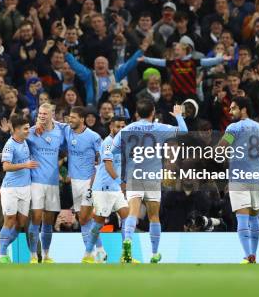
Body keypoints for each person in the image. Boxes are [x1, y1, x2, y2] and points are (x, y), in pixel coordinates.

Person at [111, 99, 187, 263]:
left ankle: (127, 242)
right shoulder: (160, 128)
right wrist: (179, 116)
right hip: (152, 176)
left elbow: (113, 150)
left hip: (134, 175)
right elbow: (184, 131)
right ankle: (154, 253)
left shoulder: (128, 129)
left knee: (133, 212)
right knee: (154, 216)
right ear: (153, 112)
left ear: (137, 114)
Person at [216, 96, 259, 264]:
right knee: (254, 218)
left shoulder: (234, 128)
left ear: (243, 109)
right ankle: (254, 253)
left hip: (239, 178)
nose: (231, 112)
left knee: (242, 218)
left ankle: (248, 255)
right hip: (256, 178)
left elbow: (220, 149)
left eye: (233, 108)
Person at [58, 107, 104, 260]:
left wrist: (95, 181)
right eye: (69, 117)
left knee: (86, 217)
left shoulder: (94, 137)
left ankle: (94, 252)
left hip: (89, 182)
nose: (70, 120)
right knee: (83, 218)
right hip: (75, 183)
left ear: (82, 119)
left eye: (73, 117)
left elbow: (104, 159)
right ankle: (96, 252)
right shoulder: (67, 130)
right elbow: (51, 122)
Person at [83, 116, 129, 263]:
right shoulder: (108, 143)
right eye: (118, 127)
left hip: (115, 190)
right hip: (103, 189)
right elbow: (108, 166)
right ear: (111, 127)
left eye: (123, 127)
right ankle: (88, 254)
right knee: (98, 224)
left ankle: (126, 256)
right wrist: (121, 182)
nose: (121, 130)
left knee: (127, 220)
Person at [0, 114, 38, 263]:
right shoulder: (10, 144)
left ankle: (3, 244)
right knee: (9, 221)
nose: (28, 131)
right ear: (17, 130)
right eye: (25, 129)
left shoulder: (24, 140)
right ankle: (2, 255)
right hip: (11, 188)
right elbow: (6, 166)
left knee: (20, 223)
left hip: (25, 188)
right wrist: (25, 165)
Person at [26, 103, 64, 263]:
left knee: (48, 221)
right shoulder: (31, 132)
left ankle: (46, 255)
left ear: (52, 115)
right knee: (35, 219)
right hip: (35, 182)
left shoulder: (60, 131)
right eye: (40, 113)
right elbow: (16, 140)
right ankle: (33, 255)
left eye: (45, 114)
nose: (42, 116)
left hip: (53, 183)